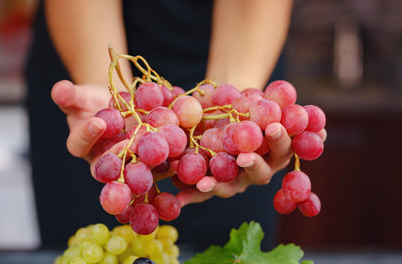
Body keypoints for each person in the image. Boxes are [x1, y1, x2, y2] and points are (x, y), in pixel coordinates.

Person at [26, 0, 294, 249]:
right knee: (84, 246)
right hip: (88, 50)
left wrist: (236, 93)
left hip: (238, 50)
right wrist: (110, 95)